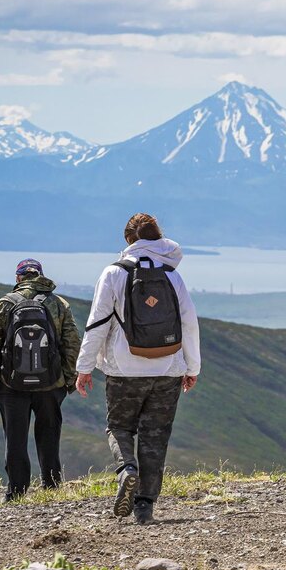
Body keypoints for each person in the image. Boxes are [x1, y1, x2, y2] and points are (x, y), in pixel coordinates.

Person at [75, 214, 201, 525]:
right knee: (155, 437)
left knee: (119, 427)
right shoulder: (172, 276)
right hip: (168, 368)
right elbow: (189, 324)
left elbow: (98, 324)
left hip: (123, 370)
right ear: (159, 239)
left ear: (129, 241)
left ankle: (127, 468)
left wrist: (85, 367)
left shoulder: (113, 274)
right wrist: (192, 367)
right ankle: (145, 505)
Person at [0, 258, 81, 501]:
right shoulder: (58, 304)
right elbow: (72, 344)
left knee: (15, 437)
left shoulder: (5, 304)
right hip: (51, 383)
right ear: (41, 277)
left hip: (11, 385)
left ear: (18, 278)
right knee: (49, 434)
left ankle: (16, 490)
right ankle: (52, 485)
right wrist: (68, 380)